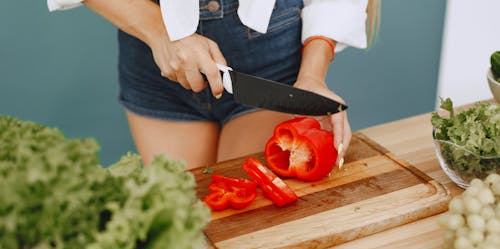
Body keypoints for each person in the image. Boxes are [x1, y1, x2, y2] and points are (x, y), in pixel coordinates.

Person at [47, 0, 380, 170]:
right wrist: (162, 35)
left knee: (247, 229)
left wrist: (312, 75)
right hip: (156, 59)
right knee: (183, 232)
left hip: (271, 61)